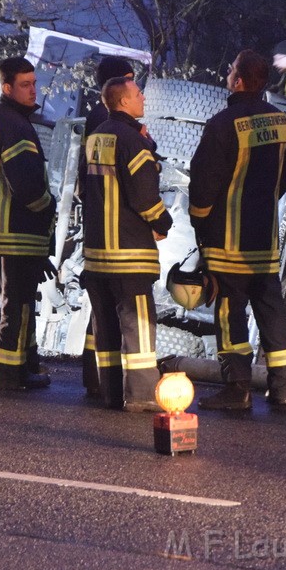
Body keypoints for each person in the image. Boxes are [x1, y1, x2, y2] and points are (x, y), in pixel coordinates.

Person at [189, 49, 286, 410]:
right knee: (272, 312)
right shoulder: (283, 122)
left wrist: (200, 223)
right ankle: (283, 389)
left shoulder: (222, 124)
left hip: (227, 242)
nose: (227, 74)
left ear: (238, 80)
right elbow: (285, 178)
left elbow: (204, 184)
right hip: (264, 242)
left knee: (229, 314)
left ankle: (237, 389)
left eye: (231, 69)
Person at [81, 77, 173, 411]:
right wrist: (163, 223)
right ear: (122, 102)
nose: (143, 98)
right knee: (139, 328)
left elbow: (83, 189)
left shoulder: (95, 138)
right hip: (130, 255)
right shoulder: (133, 141)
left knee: (105, 328)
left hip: (96, 257)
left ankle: (109, 393)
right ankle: (143, 396)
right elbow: (146, 198)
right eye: (137, 94)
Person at [0, 57, 56, 391]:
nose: (32, 90)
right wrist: (48, 208)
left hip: (5, 228)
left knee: (21, 304)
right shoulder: (12, 124)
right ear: (6, 87)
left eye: (34, 83)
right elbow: (26, 185)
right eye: (25, 84)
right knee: (17, 307)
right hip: (18, 230)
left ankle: (23, 368)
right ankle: (8, 375)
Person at [76, 56, 137, 396]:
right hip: (117, 229)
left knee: (98, 308)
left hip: (99, 226)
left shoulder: (95, 119)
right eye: (130, 81)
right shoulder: (113, 122)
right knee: (110, 308)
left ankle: (94, 375)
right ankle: (105, 379)